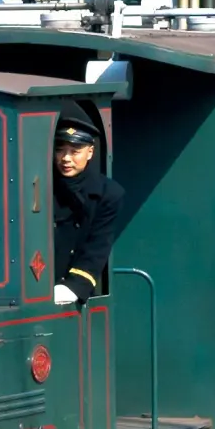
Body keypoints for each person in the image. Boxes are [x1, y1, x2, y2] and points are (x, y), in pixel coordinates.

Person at [52, 115, 122, 307]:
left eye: (75, 151)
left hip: (74, 290)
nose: (66, 158)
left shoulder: (109, 194)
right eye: (60, 150)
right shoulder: (42, 186)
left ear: (90, 152)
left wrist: (74, 287)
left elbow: (98, 244)